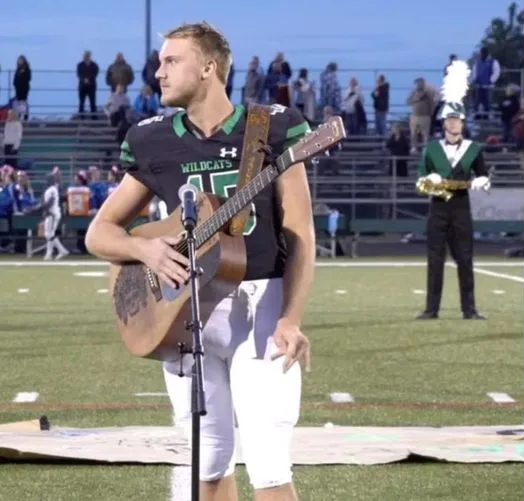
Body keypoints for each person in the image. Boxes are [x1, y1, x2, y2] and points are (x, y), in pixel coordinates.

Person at [85, 21, 314, 501]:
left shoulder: (273, 127)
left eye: (171, 61)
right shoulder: (151, 139)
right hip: (184, 313)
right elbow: (99, 233)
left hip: (260, 307)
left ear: (209, 67)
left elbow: (300, 233)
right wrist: (145, 248)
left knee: (270, 464)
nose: (158, 72)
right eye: (159, 61)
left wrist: (292, 317)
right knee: (209, 460)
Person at [415, 60, 489, 321]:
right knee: (434, 260)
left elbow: (483, 176)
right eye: (450, 119)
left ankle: (469, 309)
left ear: (463, 122)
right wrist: (430, 180)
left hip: (461, 207)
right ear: (444, 122)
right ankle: (430, 309)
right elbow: (419, 181)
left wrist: (483, 182)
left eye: (457, 119)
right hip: (437, 207)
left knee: (465, 259)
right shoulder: (431, 149)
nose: (454, 123)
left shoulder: (474, 148)